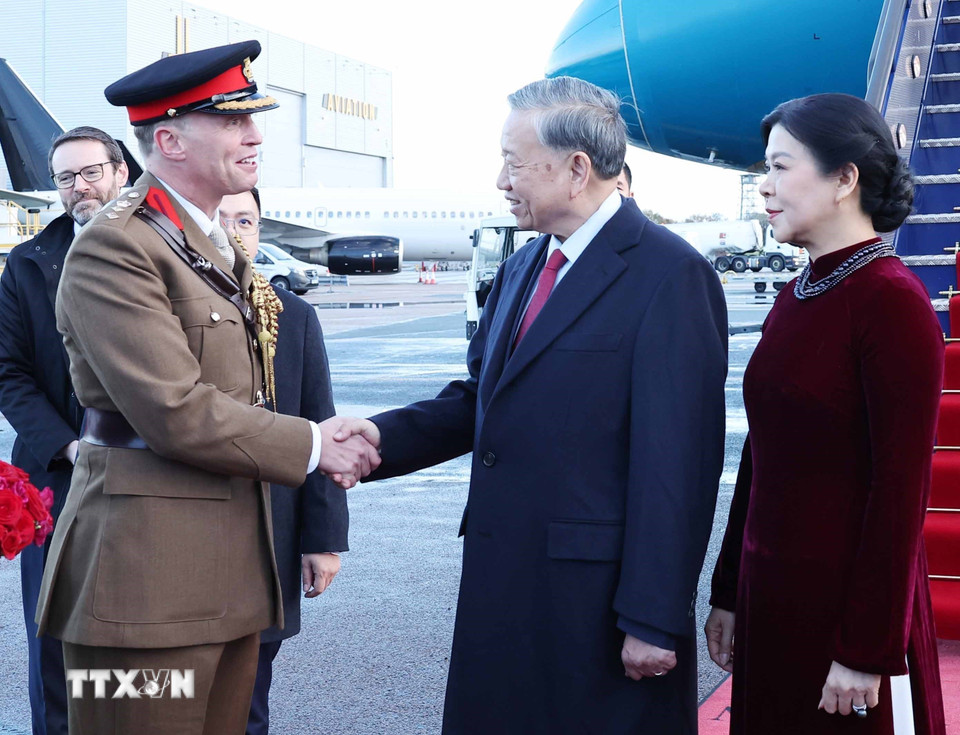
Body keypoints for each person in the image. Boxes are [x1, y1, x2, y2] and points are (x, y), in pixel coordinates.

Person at [331, 76, 728, 734]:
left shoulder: (669, 275)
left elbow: (677, 464)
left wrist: (653, 617)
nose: (499, 180)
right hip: (503, 585)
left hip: (595, 609)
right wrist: (375, 435)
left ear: (577, 169)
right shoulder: (522, 267)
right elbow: (479, 401)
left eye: (513, 162)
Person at [33, 41, 378, 735]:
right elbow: (174, 409)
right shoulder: (116, 246)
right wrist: (316, 445)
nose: (255, 135)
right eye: (232, 121)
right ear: (169, 139)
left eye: (252, 119)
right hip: (144, 586)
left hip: (226, 577)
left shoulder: (208, 244)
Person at [705, 93, 946, 735]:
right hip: (773, 602)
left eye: (781, 167)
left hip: (847, 624)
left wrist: (866, 652)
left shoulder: (891, 302)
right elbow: (762, 457)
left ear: (845, 179)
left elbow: (900, 494)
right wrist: (729, 592)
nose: (764, 188)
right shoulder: (799, 291)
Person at [0, 126, 128, 735]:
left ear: (120, 172)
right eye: (65, 177)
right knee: (51, 637)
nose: (79, 187)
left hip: (149, 474)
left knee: (138, 636)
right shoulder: (27, 264)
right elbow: (9, 372)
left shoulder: (163, 249)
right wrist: (69, 445)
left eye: (91, 172)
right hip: (55, 479)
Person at [219, 188, 347, 735]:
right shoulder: (157, 309)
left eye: (245, 220)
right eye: (218, 218)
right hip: (183, 535)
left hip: (268, 536)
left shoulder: (292, 316)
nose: (232, 232)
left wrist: (323, 537)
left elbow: (320, 424)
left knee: (247, 702)